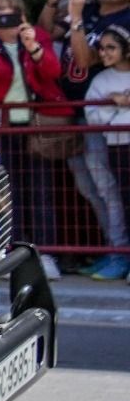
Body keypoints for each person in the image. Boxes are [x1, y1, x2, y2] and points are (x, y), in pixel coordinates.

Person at [0, 0, 68, 279]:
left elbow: (51, 72)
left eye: (4, 9)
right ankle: (10, 252)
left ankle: (45, 253)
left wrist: (33, 45)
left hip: (35, 126)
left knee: (41, 191)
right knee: (7, 194)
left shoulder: (35, 35)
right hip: (2, 127)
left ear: (19, 11)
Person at [82, 24, 130, 281]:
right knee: (121, 199)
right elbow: (93, 114)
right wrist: (116, 107)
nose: (104, 53)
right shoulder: (101, 81)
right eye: (101, 48)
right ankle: (120, 255)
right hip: (117, 146)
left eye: (111, 47)